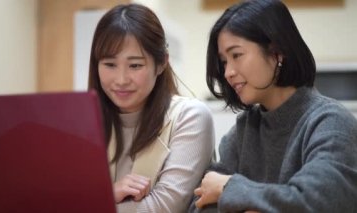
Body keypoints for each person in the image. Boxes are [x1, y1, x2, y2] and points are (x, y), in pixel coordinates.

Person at [188, 0, 357, 212]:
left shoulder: (331, 122)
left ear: (277, 52)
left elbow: (319, 201)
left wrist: (229, 188)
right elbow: (198, 204)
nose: (228, 72)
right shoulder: (243, 131)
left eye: (236, 55)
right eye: (224, 62)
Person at [87, 3, 215, 213]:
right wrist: (108, 194)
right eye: (110, 64)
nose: (121, 80)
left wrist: (99, 200)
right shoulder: (84, 122)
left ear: (161, 63)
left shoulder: (189, 116)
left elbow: (164, 207)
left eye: (135, 65)